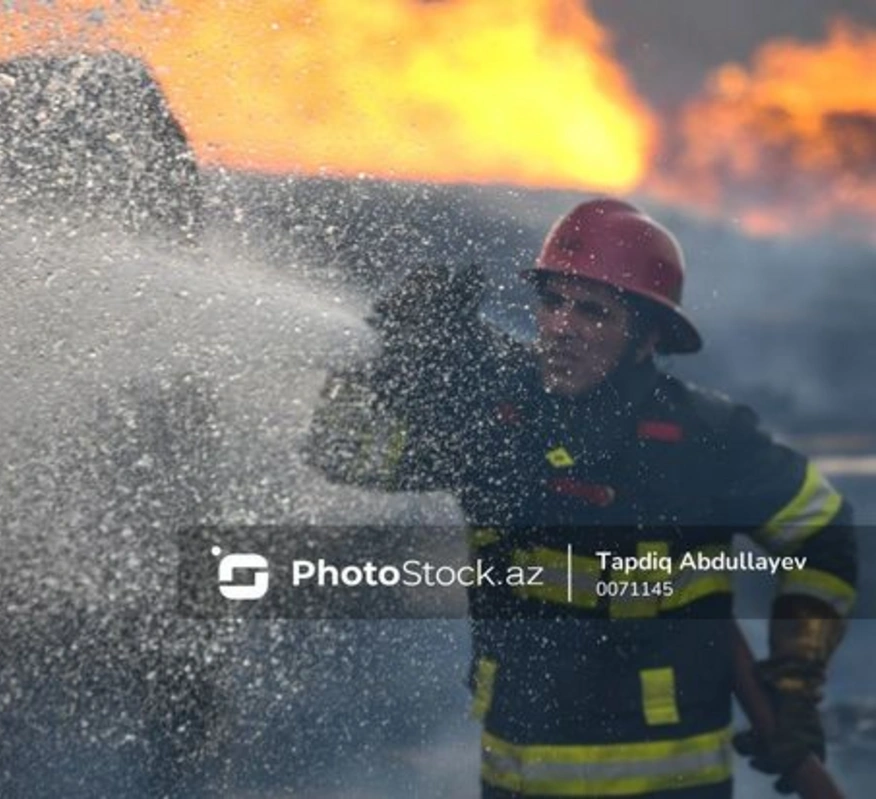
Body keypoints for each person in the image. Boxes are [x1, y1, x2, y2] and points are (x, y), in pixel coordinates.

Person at [305, 198, 858, 798]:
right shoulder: (495, 422)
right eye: (552, 303)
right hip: (515, 780)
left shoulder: (704, 437)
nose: (563, 326)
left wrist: (797, 679)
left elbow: (823, 532)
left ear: (647, 337)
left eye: (593, 312)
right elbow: (344, 456)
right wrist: (387, 367)